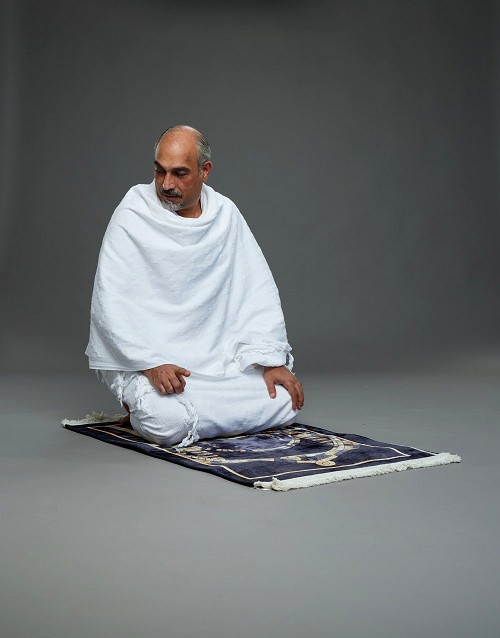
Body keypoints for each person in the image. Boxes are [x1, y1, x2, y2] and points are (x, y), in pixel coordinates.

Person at [86, 125, 304, 448]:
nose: (166, 184)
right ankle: (154, 407)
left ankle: (198, 413)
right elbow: (110, 303)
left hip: (220, 362)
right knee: (167, 422)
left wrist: (271, 362)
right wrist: (151, 365)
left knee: (286, 400)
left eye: (179, 173)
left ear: (205, 171)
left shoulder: (225, 215)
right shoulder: (133, 212)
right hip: (154, 364)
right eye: (159, 171)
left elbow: (255, 291)